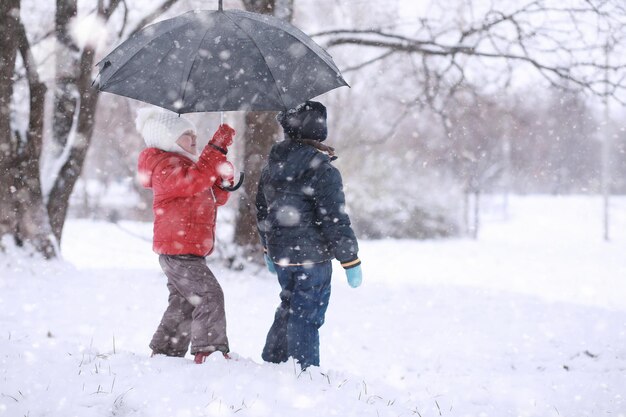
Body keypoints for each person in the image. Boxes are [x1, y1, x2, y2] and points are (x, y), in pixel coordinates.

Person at [255, 100, 363, 370]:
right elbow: (334, 219)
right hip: (312, 258)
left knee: (288, 305)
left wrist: (268, 249)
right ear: (319, 131)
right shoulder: (323, 171)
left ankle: (274, 361)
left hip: (282, 254)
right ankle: (303, 371)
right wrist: (350, 260)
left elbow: (261, 212)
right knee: (307, 314)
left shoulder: (271, 168)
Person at [136, 107, 236, 364]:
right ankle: (210, 351)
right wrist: (216, 148)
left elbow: (213, 197)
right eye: (185, 134)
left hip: (187, 248)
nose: (193, 138)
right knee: (209, 296)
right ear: (166, 137)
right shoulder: (164, 166)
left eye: (193, 133)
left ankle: (166, 352)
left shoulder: (187, 166)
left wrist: (222, 182)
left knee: (185, 302)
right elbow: (194, 181)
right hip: (178, 250)